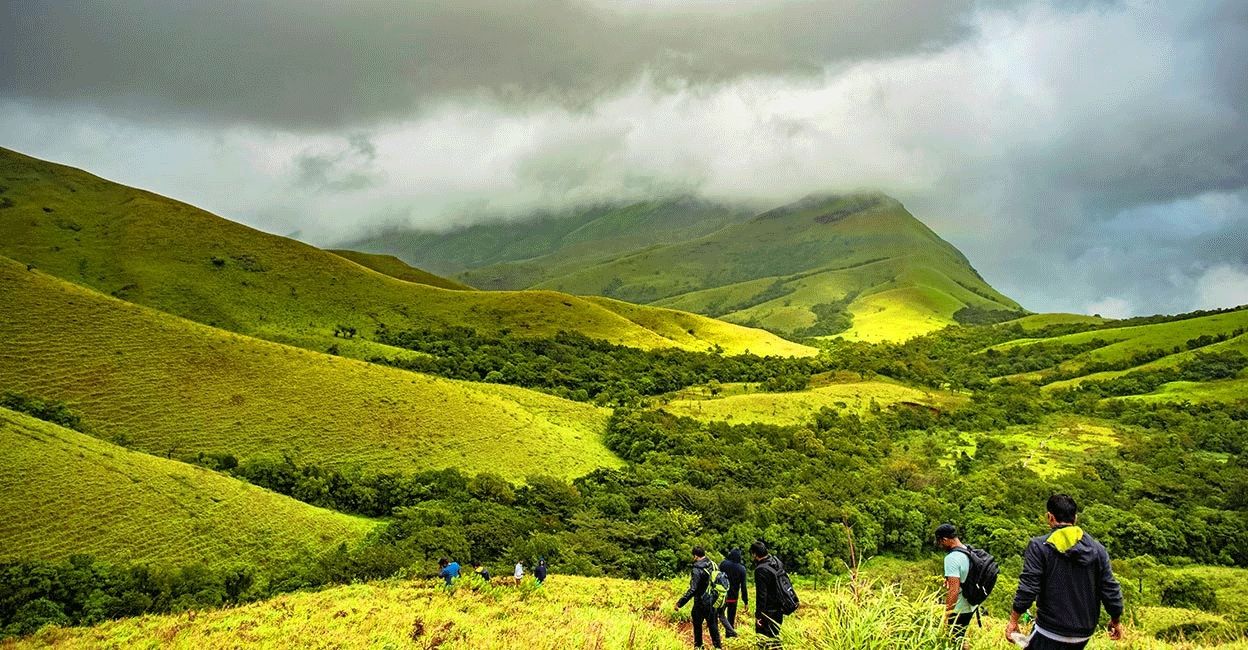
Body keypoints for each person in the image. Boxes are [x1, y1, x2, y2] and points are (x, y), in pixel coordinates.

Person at [1006, 494, 1125, 649]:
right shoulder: (1098, 550)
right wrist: (1115, 620)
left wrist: (1014, 620)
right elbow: (1110, 589)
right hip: (1084, 633)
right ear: (1075, 518)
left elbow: (1028, 588)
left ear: (1050, 517)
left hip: (1050, 630)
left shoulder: (1040, 546)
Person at [934, 523, 977, 647]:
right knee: (960, 637)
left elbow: (954, 590)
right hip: (971, 605)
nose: (940, 545)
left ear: (945, 540)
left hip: (959, 609)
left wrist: (947, 615)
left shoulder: (952, 558)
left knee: (953, 642)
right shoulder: (968, 550)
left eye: (940, 542)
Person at [675, 546, 722, 650]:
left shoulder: (697, 569)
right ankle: (718, 647)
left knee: (697, 625)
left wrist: (680, 603)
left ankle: (699, 646)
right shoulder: (713, 564)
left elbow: (693, 589)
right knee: (713, 625)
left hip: (701, 601)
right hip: (713, 599)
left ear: (695, 556)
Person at [751, 541, 785, 647]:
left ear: (755, 554)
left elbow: (762, 596)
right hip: (780, 608)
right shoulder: (776, 562)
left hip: (768, 611)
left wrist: (759, 616)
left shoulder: (760, 570)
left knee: (763, 641)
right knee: (775, 639)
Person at [718, 547, 748, 638]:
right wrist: (745, 601)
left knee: (719, 614)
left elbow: (717, 578)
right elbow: (743, 586)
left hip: (722, 595)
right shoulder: (742, 569)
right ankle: (730, 635)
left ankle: (716, 633)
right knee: (731, 617)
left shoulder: (723, 564)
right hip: (733, 597)